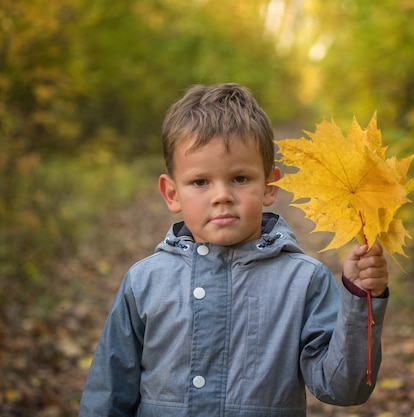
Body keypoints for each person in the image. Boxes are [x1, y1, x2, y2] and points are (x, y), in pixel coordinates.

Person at [78, 83, 389, 417]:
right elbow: (108, 393)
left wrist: (360, 298)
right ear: (171, 194)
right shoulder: (145, 282)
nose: (222, 195)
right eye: (200, 182)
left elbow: (344, 388)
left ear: (270, 186)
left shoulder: (303, 281)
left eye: (240, 178)